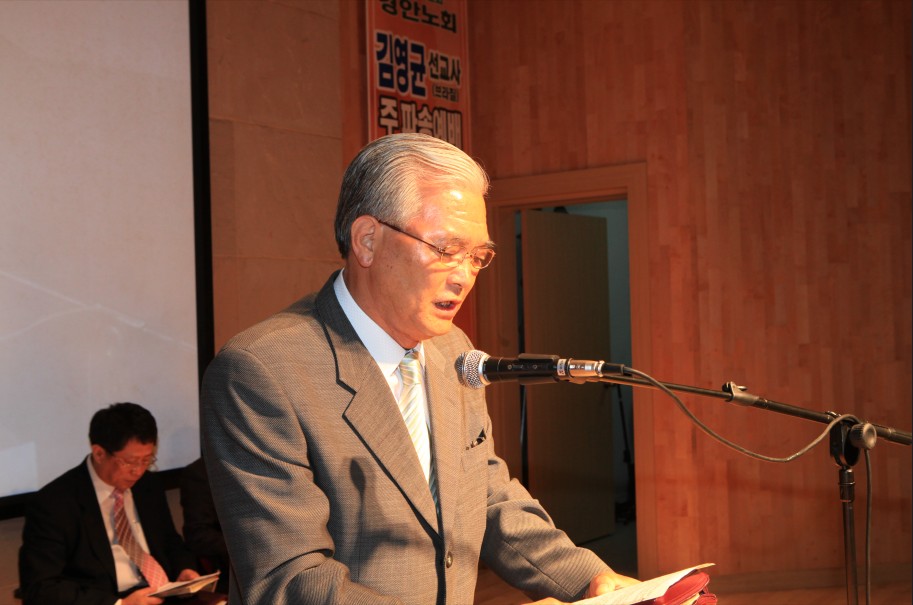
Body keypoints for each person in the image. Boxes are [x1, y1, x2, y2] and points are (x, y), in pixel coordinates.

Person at [200, 132, 638, 605]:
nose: (464, 276)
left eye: (477, 257)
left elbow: (488, 498)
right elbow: (291, 579)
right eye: (446, 249)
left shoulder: (453, 349)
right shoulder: (263, 371)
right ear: (367, 241)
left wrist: (590, 580)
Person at [19, 402, 201, 605]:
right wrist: (120, 604)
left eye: (146, 460)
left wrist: (184, 569)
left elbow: (170, 542)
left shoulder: (148, 485)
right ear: (99, 453)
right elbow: (41, 587)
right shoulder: (54, 503)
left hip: (162, 596)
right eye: (130, 462)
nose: (138, 471)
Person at [179, 456, 230, 594]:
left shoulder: (269, 462)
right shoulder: (201, 472)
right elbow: (198, 534)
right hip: (233, 568)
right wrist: (244, 546)